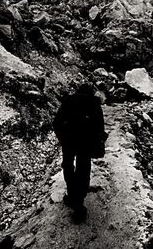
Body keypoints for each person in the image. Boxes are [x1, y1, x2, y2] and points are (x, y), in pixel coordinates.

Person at [53, 83, 107, 223]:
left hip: (69, 141)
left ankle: (72, 196)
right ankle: (79, 202)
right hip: (86, 143)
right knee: (83, 169)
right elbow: (100, 127)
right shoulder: (94, 103)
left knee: (68, 166)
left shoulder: (68, 101)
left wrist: (62, 138)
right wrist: (98, 141)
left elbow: (56, 123)